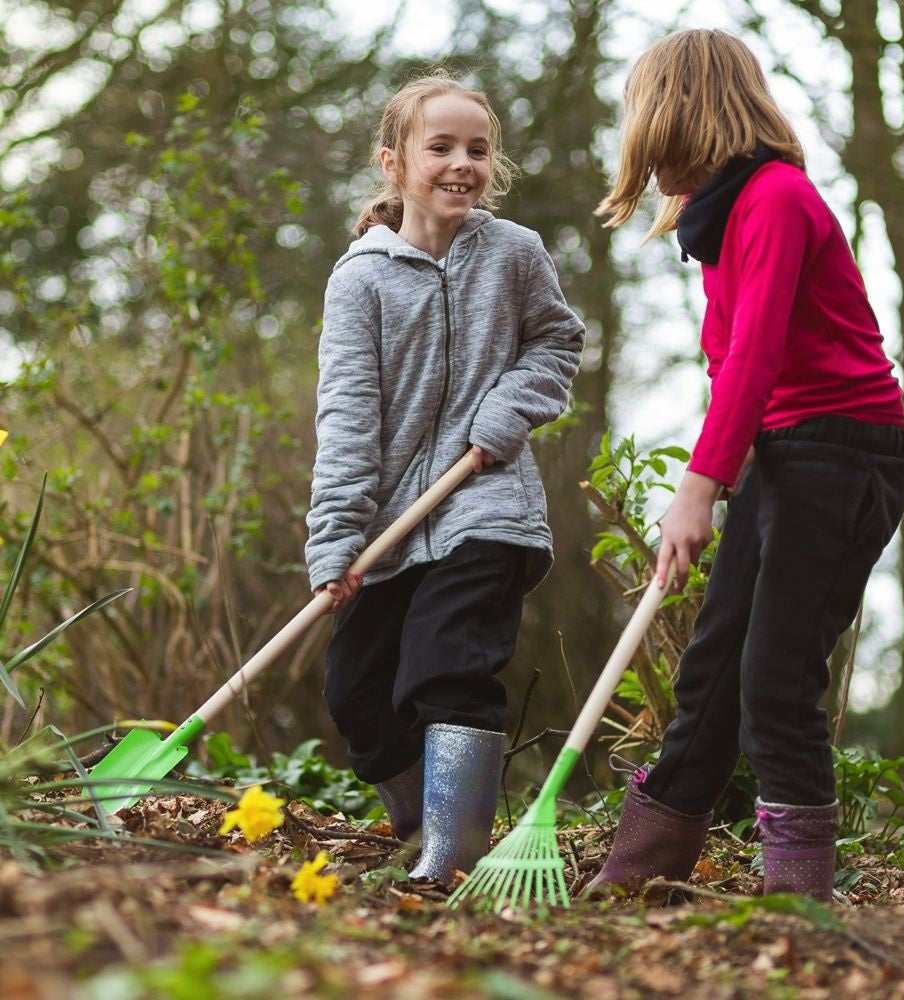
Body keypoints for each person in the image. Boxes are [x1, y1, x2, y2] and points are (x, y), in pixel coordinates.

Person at [587, 29, 904, 903]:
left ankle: (799, 899)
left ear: (682, 118)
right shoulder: (725, 217)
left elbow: (759, 356)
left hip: (844, 451)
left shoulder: (774, 199)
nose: (648, 165)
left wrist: (699, 487)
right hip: (781, 450)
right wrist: (720, 474)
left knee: (775, 679)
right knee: (712, 671)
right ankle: (638, 873)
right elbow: (732, 368)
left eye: (651, 139)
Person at [305, 71, 584, 884]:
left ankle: (452, 860)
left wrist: (501, 420)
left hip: (486, 506)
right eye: (442, 148)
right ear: (393, 163)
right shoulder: (360, 279)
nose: (463, 163)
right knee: (358, 694)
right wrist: (336, 541)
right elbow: (348, 419)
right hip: (389, 523)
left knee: (446, 666)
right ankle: (424, 830)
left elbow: (557, 345)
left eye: (478, 149)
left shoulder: (514, 253)